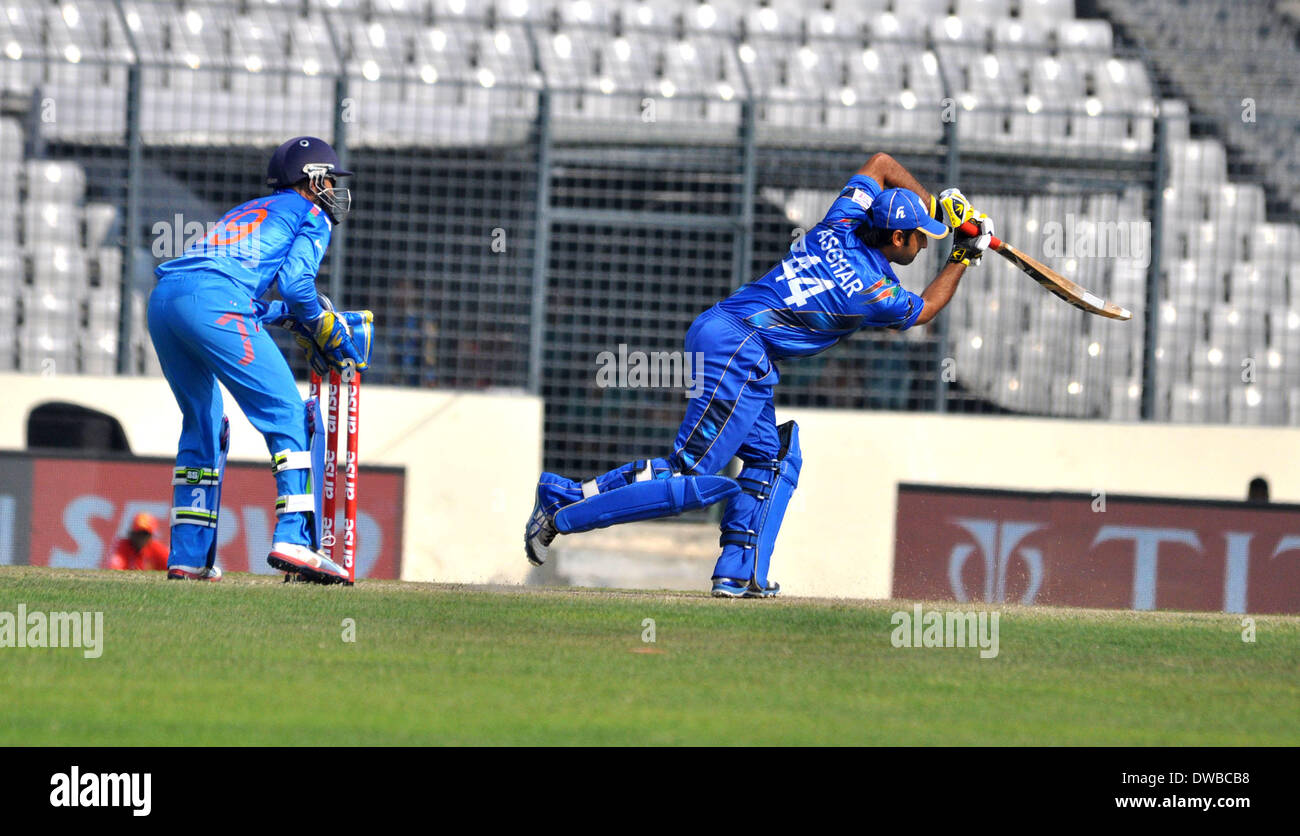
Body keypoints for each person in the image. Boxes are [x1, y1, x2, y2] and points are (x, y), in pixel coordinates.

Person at [524, 152, 994, 598]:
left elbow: (881, 164)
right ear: (896, 239)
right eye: (921, 235)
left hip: (738, 340)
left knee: (772, 460)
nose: (925, 241)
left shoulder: (839, 224)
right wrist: (963, 256)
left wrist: (937, 206)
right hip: (738, 346)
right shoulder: (873, 291)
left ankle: (740, 574)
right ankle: (563, 506)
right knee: (690, 472)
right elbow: (926, 308)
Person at [148, 136, 365, 583]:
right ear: (313, 181)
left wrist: (288, 317)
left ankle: (188, 557)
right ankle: (293, 539)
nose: (335, 190)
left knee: (204, 420)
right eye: (329, 179)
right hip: (214, 302)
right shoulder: (311, 213)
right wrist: (321, 324)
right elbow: (297, 286)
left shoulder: (247, 210)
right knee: (286, 411)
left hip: (165, 302)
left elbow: (219, 284)